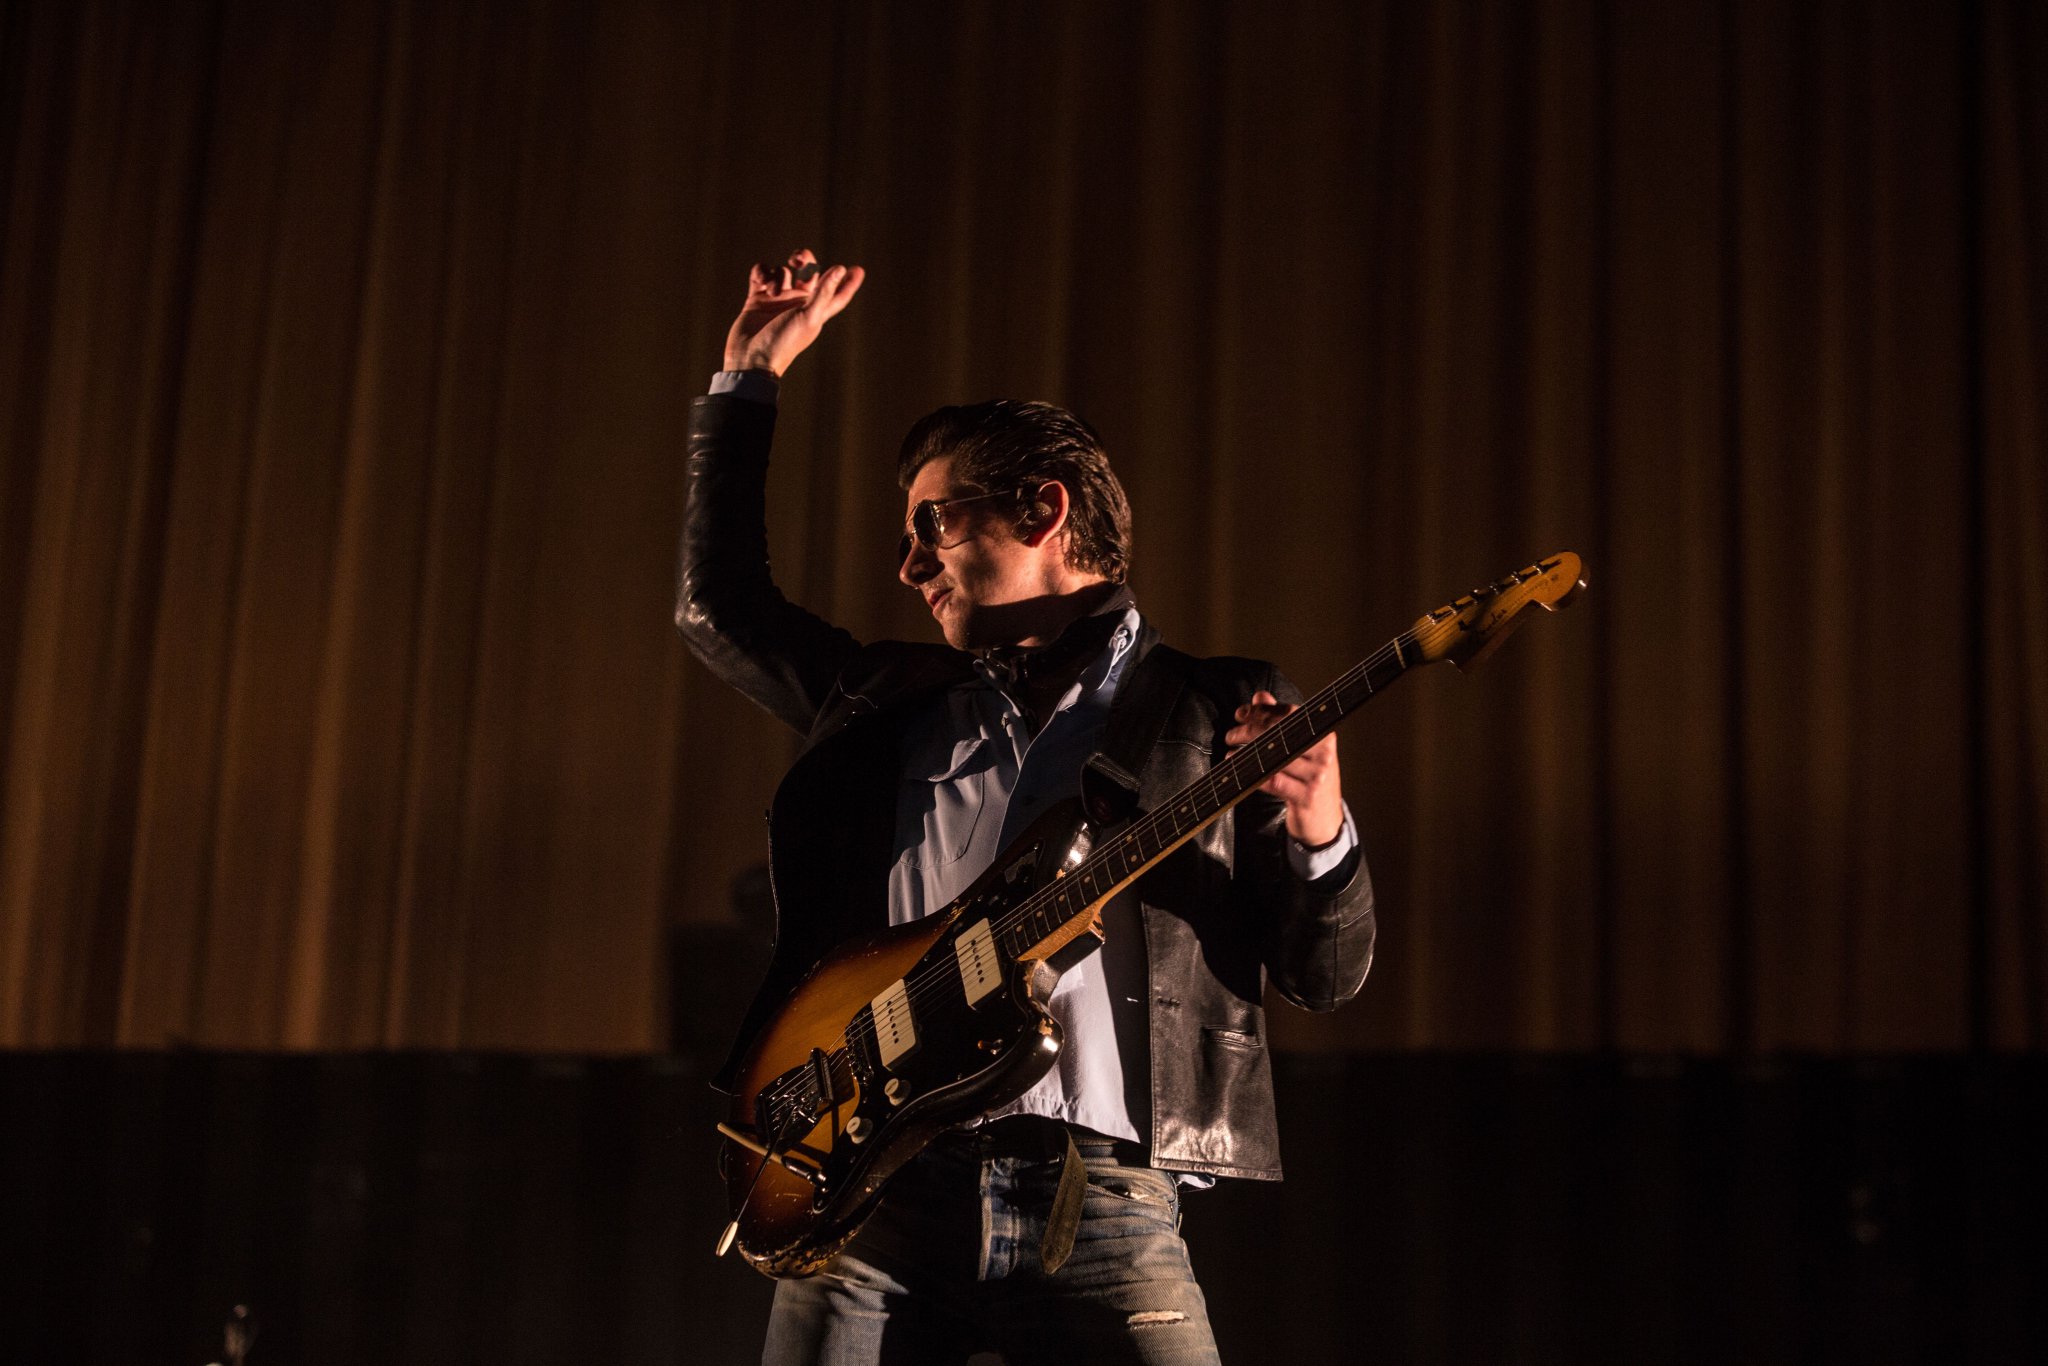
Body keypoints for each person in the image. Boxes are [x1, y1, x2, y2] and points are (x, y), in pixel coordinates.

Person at [676, 249, 1377, 1366]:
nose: (908, 565)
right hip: (884, 1190)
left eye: (933, 525)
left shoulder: (1216, 709)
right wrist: (747, 381)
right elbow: (720, 608)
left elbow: (1325, 975)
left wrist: (1318, 827)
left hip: (1104, 1202)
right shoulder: (888, 700)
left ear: (1045, 510)